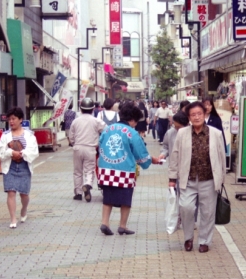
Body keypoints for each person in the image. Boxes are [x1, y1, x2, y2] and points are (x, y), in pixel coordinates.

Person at [168, 101, 226, 253]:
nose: (197, 117)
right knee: (186, 208)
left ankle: (204, 241)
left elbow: (221, 157)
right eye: (193, 115)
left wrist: (221, 179)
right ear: (188, 117)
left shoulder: (215, 133)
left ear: (205, 114)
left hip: (209, 179)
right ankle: (188, 238)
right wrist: (172, 178)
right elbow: (175, 155)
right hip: (188, 179)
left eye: (199, 113)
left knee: (207, 212)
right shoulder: (182, 133)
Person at [97, 104, 160, 236]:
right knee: (126, 199)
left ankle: (105, 223)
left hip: (105, 170)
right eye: (136, 122)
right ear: (132, 119)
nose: (136, 125)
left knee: (108, 198)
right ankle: (122, 226)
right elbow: (140, 153)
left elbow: (100, 146)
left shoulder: (107, 129)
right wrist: (151, 160)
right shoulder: (132, 133)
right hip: (124, 171)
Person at [0, 107, 39, 228]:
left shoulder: (29, 135)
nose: (11, 121)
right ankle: (13, 219)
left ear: (21, 119)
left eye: (14, 119)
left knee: (24, 194)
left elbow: (34, 151)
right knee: (11, 192)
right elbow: (0, 152)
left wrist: (22, 153)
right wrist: (11, 152)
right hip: (10, 166)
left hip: (24, 165)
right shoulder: (5, 136)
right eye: (9, 119)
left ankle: (24, 209)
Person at [69, 98, 105, 202]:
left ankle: (78, 193)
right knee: (89, 170)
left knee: (77, 171)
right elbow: (106, 130)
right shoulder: (96, 121)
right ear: (93, 109)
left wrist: (73, 143)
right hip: (91, 148)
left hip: (77, 147)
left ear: (80, 109)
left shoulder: (75, 121)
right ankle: (88, 184)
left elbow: (71, 136)